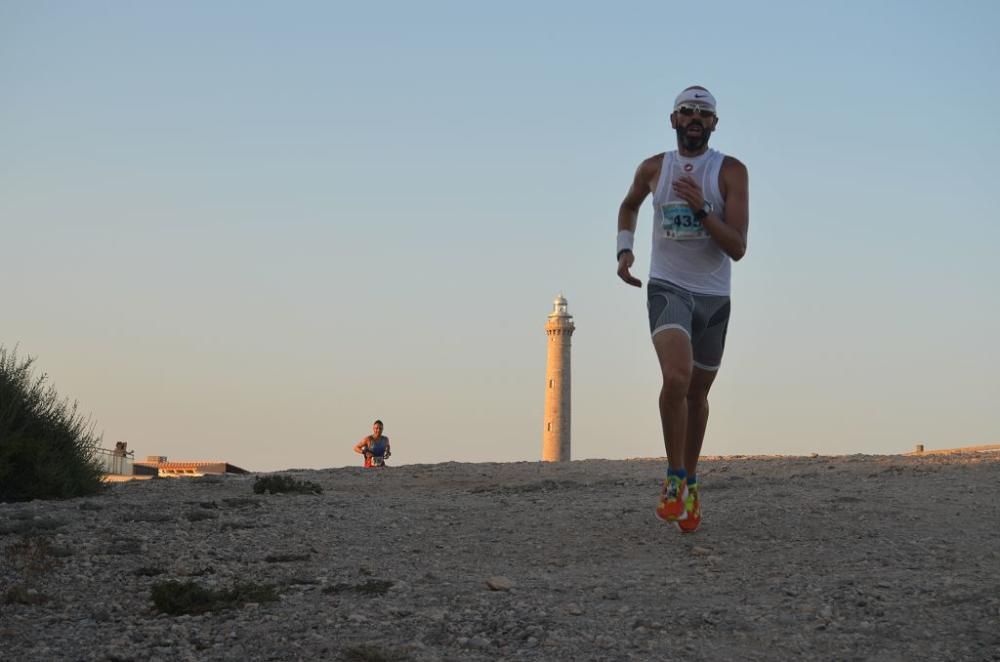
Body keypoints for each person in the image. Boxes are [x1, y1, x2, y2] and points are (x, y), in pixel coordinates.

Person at [616, 86, 749, 532]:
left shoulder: (730, 171)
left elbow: (737, 247)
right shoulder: (655, 168)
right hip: (668, 288)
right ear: (673, 120)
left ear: (714, 124)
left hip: (714, 297)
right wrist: (624, 250)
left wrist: (702, 208)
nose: (695, 118)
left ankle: (691, 482)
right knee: (677, 377)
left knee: (698, 394)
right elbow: (629, 205)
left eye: (703, 113)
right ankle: (674, 477)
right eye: (687, 111)